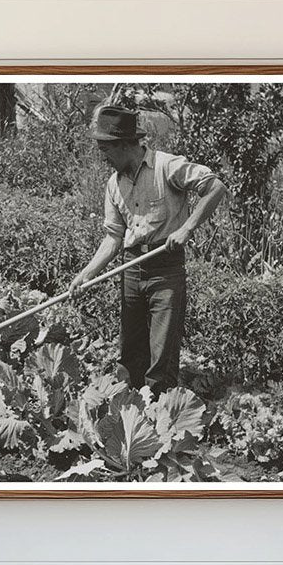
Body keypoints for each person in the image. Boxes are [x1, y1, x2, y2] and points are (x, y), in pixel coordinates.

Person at [69, 104, 227, 394]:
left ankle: (159, 410)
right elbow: (113, 238)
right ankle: (128, 407)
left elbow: (215, 187)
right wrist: (86, 274)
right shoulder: (114, 184)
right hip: (131, 268)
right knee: (131, 350)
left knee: (162, 351)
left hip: (165, 268)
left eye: (106, 149)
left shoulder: (167, 166)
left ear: (125, 144)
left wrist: (187, 228)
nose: (102, 157)